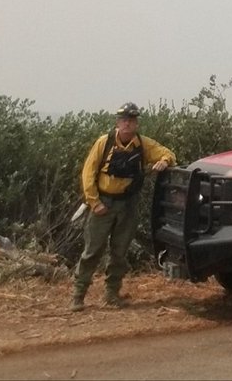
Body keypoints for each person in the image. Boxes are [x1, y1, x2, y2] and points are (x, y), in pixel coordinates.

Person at [70, 102, 176, 311]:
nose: (127, 124)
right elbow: (88, 173)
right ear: (118, 122)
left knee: (119, 252)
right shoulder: (104, 142)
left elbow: (168, 153)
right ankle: (78, 295)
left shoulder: (143, 144)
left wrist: (164, 161)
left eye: (131, 120)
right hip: (103, 204)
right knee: (92, 251)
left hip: (127, 205)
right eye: (123, 120)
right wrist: (95, 202)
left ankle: (111, 294)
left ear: (136, 123)